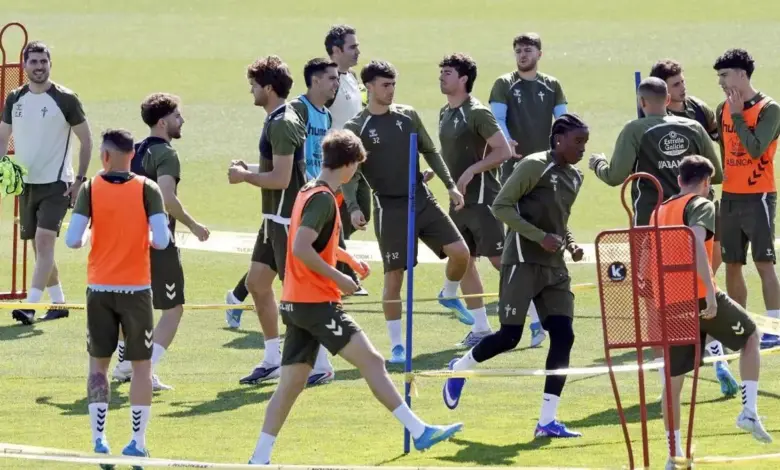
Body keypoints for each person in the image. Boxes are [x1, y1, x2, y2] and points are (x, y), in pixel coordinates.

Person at [248, 129, 463, 465]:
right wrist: (340, 278)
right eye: (357, 166)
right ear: (348, 165)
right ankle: (420, 432)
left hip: (296, 302)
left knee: (289, 386)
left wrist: (347, 259)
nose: (356, 173)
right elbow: (301, 247)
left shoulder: (308, 191)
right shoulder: (322, 199)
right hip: (317, 304)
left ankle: (259, 458)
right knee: (373, 362)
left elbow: (314, 242)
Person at [588, 77, 738, 397]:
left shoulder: (635, 129)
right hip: (695, 222)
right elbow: (717, 174)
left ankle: (666, 383)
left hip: (652, 228)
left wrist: (597, 163)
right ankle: (717, 356)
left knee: (656, 307)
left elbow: (615, 176)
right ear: (669, 99)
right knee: (701, 293)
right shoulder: (693, 127)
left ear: (642, 102)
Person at [443, 114, 588, 439]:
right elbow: (501, 206)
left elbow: (559, 220)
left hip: (554, 268)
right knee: (510, 336)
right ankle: (459, 369)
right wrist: (539, 237)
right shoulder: (534, 166)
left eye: (585, 142)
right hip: (522, 261)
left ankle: (547, 421)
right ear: (559, 139)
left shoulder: (575, 177)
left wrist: (571, 244)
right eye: (577, 141)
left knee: (563, 335)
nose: (582, 149)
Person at [343, 60, 471, 364]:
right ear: (369, 87)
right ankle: (397, 346)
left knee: (461, 253)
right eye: (385, 85)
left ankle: (448, 293)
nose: (391, 91)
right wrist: (353, 207)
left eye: (393, 85)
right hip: (389, 208)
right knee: (394, 278)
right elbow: (350, 174)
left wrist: (450, 186)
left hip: (421, 198)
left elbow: (430, 150)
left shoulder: (407, 115)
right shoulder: (356, 128)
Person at [648, 155, 771, 470]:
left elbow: (648, 260)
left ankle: (674, 454)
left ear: (679, 180)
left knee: (673, 382)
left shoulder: (658, 211)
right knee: (751, 336)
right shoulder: (701, 205)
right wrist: (710, 296)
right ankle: (749, 411)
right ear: (705, 182)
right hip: (699, 296)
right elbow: (694, 244)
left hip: (669, 302)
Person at [65, 129, 170, 463]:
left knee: (99, 365)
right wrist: (144, 237)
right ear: (132, 155)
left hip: (99, 289)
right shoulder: (148, 189)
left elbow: (72, 239)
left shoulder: (90, 188)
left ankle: (99, 439)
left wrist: (88, 237)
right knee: (141, 368)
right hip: (136, 290)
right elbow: (162, 240)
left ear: (105, 156)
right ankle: (137, 441)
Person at [111, 92, 210, 391]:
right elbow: (168, 199)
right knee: (173, 307)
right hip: (157, 241)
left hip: (126, 239)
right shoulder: (166, 154)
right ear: (163, 122)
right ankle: (144, 370)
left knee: (132, 302)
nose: (182, 120)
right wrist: (194, 225)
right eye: (178, 116)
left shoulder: (134, 151)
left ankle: (125, 364)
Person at [227, 55, 307, 385]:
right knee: (257, 284)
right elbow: (277, 169)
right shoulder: (276, 119)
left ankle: (319, 364)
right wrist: (248, 169)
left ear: (269, 88)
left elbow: (282, 179)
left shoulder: (282, 123)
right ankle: (273, 359)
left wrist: (245, 177)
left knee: (298, 296)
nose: (252, 91)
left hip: (287, 221)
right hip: (273, 219)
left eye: (254, 86)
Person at [0, 40, 93, 325]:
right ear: (25, 65)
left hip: (57, 183)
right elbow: (3, 137)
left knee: (43, 241)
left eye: (43, 61)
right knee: (39, 247)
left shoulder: (66, 99)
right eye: (34, 62)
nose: (39, 67)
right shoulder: (14, 98)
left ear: (50, 64)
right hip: (25, 183)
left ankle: (30, 305)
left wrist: (79, 180)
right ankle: (59, 302)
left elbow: (87, 140)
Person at [488, 33, 568, 347]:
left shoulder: (552, 85)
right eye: (518, 50)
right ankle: (535, 320)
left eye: (528, 50)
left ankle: (540, 315)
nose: (522, 55)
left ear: (539, 54)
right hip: (516, 169)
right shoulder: (504, 84)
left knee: (543, 231)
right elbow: (498, 118)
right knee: (521, 238)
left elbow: (563, 121)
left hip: (547, 171)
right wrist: (506, 141)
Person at [437, 53, 513, 347]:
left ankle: (537, 318)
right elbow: (450, 153)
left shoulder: (478, 112)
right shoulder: (445, 112)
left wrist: (472, 171)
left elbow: (503, 151)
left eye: (447, 73)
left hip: (483, 199)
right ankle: (481, 329)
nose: (441, 77)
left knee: (499, 261)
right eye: (441, 72)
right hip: (458, 201)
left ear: (463, 79)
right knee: (464, 260)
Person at [713, 48, 780, 349]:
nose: (721, 82)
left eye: (724, 75)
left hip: (758, 196)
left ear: (742, 74)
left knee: (764, 262)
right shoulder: (722, 108)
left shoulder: (770, 109)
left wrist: (739, 116)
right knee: (732, 263)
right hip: (730, 196)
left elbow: (755, 149)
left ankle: (775, 329)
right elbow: (725, 152)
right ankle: (739, 328)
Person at [650, 59, 723, 274]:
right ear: (662, 90)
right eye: (676, 85)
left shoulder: (698, 108)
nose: (682, 88)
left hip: (704, 192)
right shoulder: (656, 118)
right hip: (675, 199)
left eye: (682, 82)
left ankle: (705, 286)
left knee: (718, 249)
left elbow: (720, 137)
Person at [325, 24, 371, 297]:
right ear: (336, 50)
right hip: (336, 165)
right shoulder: (329, 82)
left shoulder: (352, 77)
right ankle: (345, 276)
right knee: (337, 221)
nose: (357, 51)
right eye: (352, 47)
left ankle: (338, 269)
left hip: (356, 162)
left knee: (360, 214)